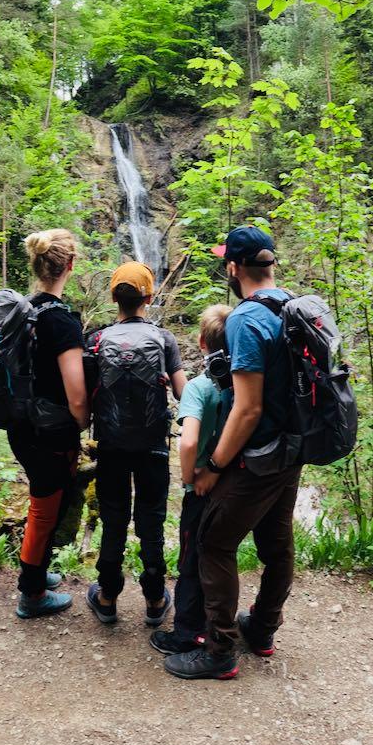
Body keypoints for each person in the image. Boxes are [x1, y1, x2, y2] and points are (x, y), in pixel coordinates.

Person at [164, 226, 301, 681]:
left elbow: (248, 409)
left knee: (213, 541)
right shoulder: (293, 305)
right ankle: (262, 628)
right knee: (277, 545)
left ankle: (220, 649)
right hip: (292, 451)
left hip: (259, 455)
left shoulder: (245, 319)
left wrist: (213, 467)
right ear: (272, 264)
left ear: (233, 268)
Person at [85, 262, 186, 626]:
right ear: (149, 296)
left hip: (111, 446)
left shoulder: (97, 340)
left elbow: (84, 396)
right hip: (153, 447)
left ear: (114, 297)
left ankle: (108, 596)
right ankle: (156, 599)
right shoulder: (164, 339)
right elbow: (182, 393)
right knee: (151, 522)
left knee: (113, 521)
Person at [10, 229, 89, 620]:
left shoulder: (21, 311)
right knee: (45, 510)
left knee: (42, 503)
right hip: (50, 431)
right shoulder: (61, 321)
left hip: (20, 425)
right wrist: (84, 422)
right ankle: (32, 593)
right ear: (69, 265)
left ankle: (36, 572)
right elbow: (76, 394)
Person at [150, 304, 233, 656]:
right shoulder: (242, 383)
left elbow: (188, 440)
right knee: (217, 557)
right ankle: (218, 626)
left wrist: (190, 475)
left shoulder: (199, 388)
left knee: (190, 561)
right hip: (232, 484)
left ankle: (186, 633)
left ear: (201, 342)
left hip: (200, 489)